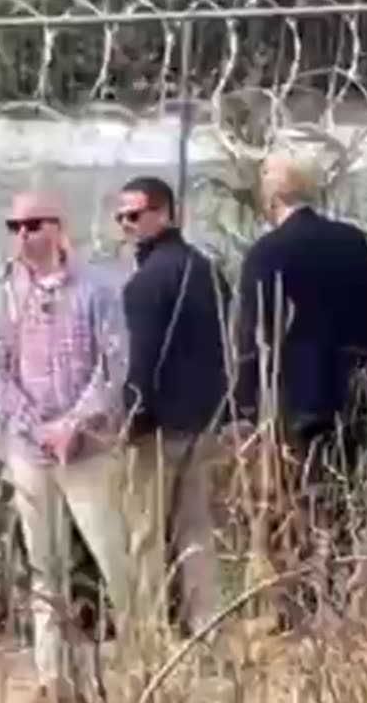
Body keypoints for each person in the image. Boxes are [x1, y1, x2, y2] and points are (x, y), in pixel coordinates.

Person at [0, 190, 128, 703]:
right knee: (44, 567)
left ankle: (104, 672)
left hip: (87, 451)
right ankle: (54, 680)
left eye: (33, 225)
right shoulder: (5, 297)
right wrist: (38, 427)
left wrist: (74, 424)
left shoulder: (98, 290)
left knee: (105, 560)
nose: (23, 235)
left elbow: (113, 367)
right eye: (15, 226)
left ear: (58, 228)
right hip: (30, 451)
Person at [233, 151, 367, 629]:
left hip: (289, 397)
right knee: (339, 499)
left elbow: (251, 337)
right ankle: (335, 596)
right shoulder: (354, 243)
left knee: (285, 503)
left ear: (272, 194)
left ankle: (290, 604)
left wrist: (245, 403)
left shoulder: (267, 253)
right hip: (348, 393)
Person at [115, 176, 229, 639]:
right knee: (195, 530)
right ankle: (207, 625)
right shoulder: (207, 269)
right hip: (203, 420)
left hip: (159, 427)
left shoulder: (146, 283)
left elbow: (139, 360)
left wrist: (132, 418)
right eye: (121, 216)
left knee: (144, 533)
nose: (127, 225)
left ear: (164, 214)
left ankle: (149, 628)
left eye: (135, 215)